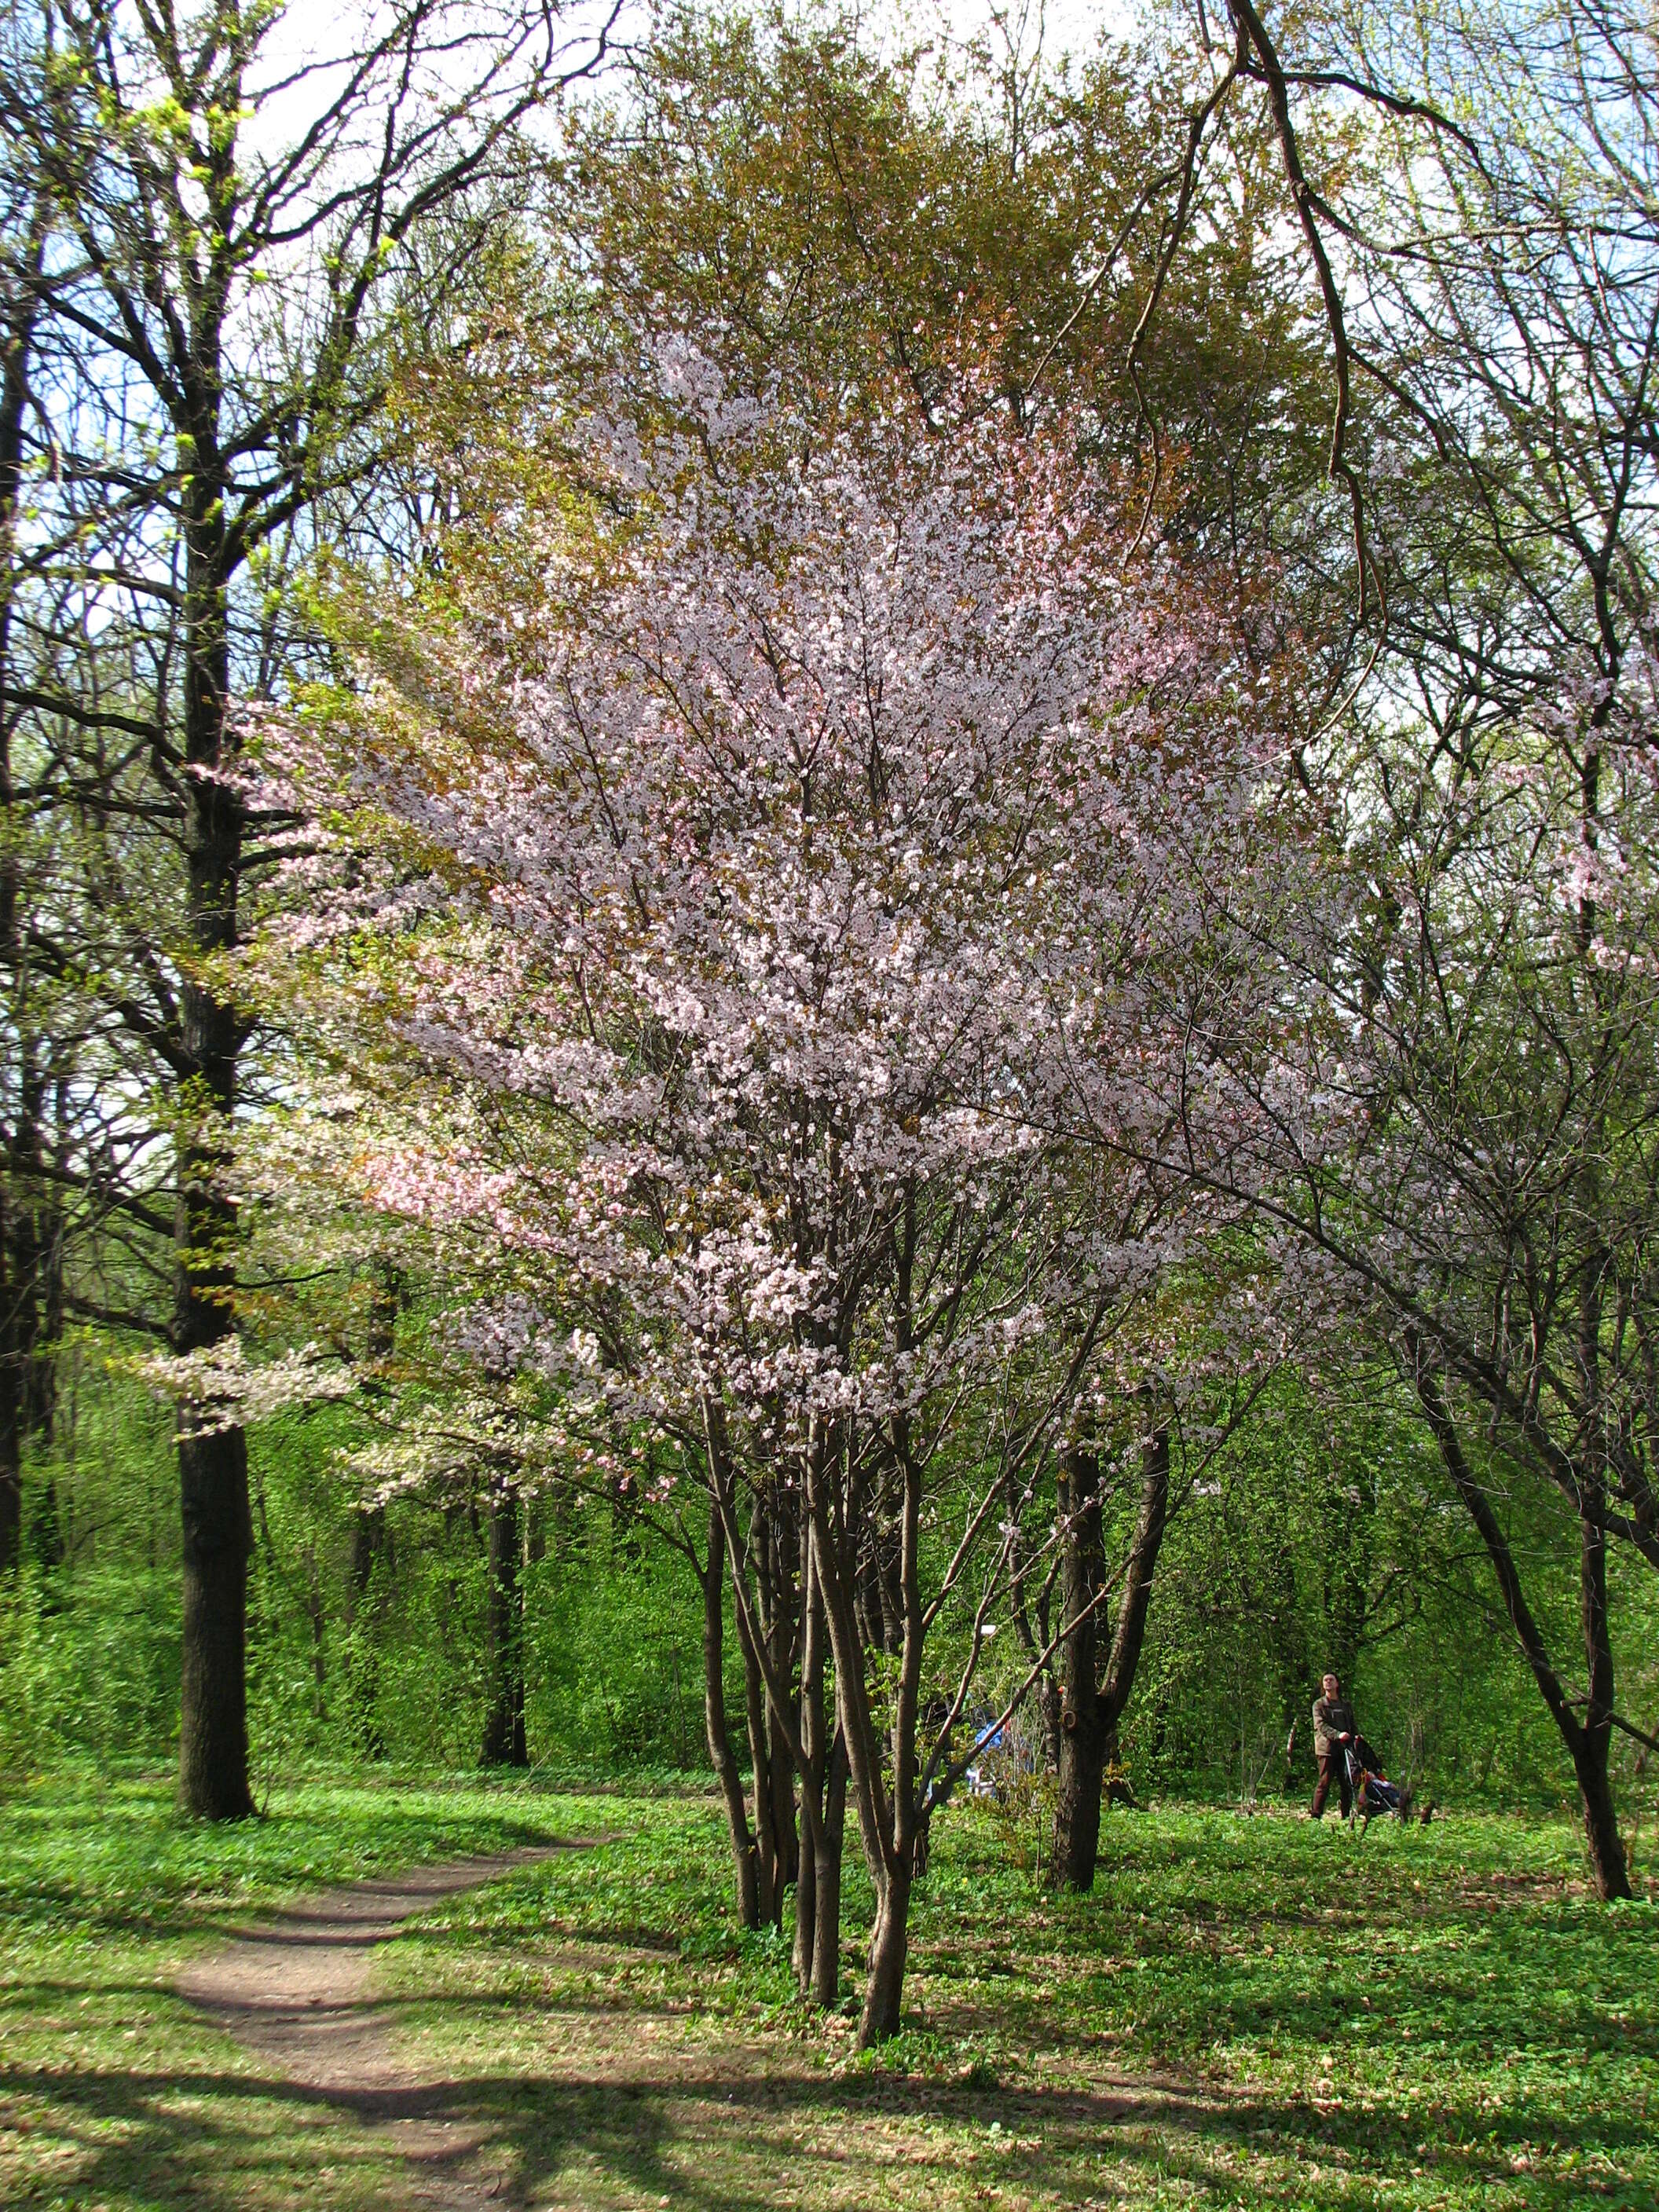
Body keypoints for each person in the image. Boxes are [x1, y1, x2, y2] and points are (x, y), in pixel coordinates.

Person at [1310, 1672, 1357, 1819]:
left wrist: (1355, 1738)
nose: (1328, 1682)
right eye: (1325, 1680)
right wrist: (1337, 1735)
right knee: (1324, 1782)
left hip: (1344, 1750)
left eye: (1331, 1680)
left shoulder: (1345, 1705)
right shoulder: (1319, 1705)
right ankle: (1316, 1815)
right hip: (1326, 1750)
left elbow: (1352, 1725)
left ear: (1337, 1683)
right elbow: (1321, 1726)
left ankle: (1346, 1816)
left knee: (1347, 1782)